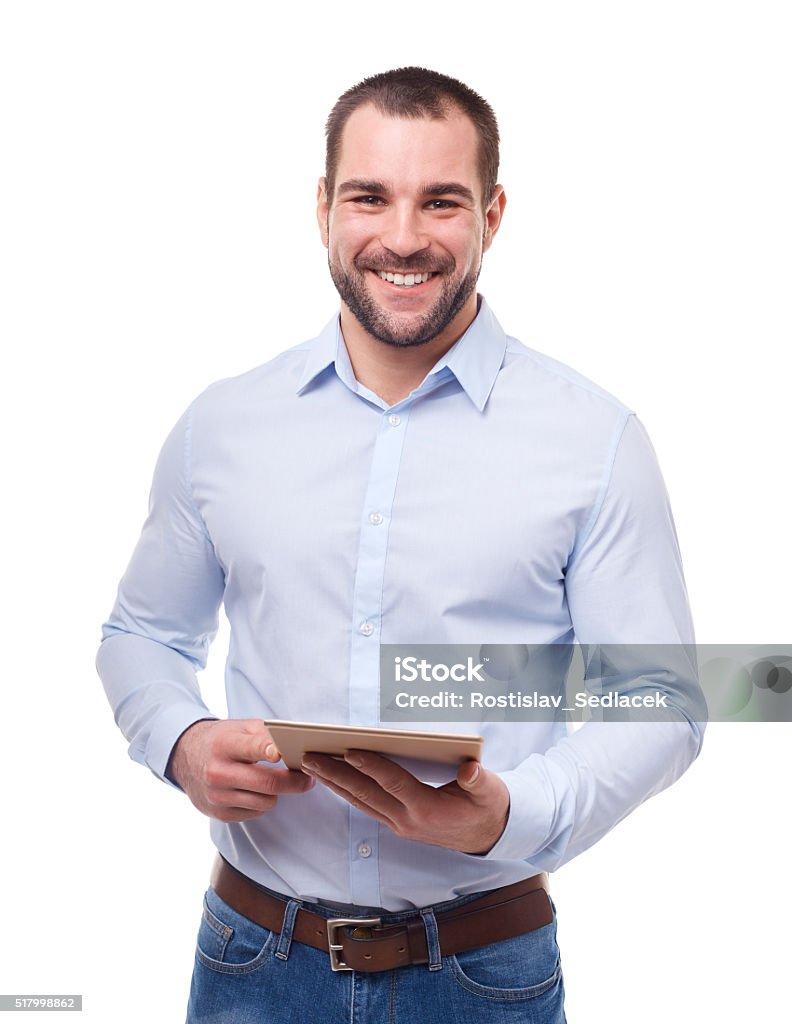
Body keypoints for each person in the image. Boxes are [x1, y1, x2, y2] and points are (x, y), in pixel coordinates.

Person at [97, 66, 703, 1023]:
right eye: (369, 196)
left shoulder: (597, 441)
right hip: (252, 962)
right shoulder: (223, 426)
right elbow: (140, 636)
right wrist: (182, 741)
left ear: (493, 215)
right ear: (324, 210)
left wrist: (511, 814)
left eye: (443, 201)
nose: (405, 237)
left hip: (482, 969)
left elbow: (663, 703)